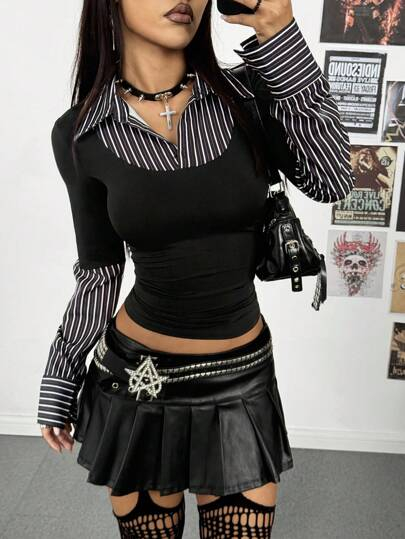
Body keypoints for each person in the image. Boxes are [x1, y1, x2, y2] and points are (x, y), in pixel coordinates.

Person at [37, 0, 356, 537]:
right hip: (137, 383)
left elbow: (332, 180)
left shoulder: (250, 94)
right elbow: (99, 271)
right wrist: (61, 374)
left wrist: (280, 34)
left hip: (240, 380)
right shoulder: (79, 133)